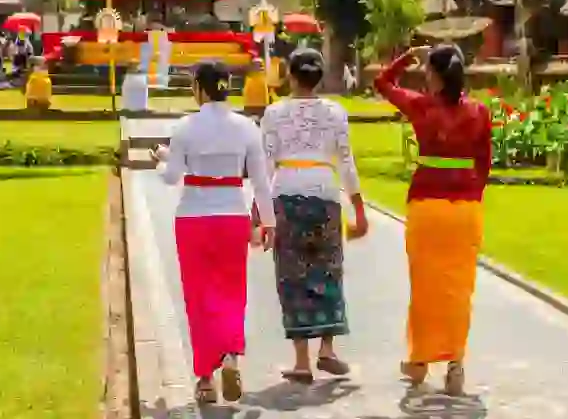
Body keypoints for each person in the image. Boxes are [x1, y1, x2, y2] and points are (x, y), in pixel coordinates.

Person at [150, 61, 275, 405]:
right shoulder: (247, 127)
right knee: (233, 290)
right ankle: (231, 354)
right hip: (232, 215)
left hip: (193, 217)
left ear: (200, 89)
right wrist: (268, 222)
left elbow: (171, 176)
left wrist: (160, 158)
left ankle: (205, 378)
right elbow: (261, 182)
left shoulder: (185, 127)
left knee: (199, 296)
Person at [373, 44, 490, 397]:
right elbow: (484, 163)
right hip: (464, 209)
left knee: (424, 288)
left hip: (427, 207)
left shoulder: (422, 106)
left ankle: (420, 361)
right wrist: (471, 195)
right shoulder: (479, 112)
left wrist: (404, 58)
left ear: (434, 75)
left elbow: (382, 83)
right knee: (459, 288)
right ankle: (455, 362)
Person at [260, 48, 368, 384]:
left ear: (290, 76)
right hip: (325, 196)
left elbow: (264, 167)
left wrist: (258, 216)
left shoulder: (274, 113)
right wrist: (359, 210)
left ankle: (302, 361)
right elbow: (346, 164)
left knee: (292, 278)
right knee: (328, 271)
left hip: (286, 197)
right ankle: (327, 349)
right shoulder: (336, 113)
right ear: (319, 78)